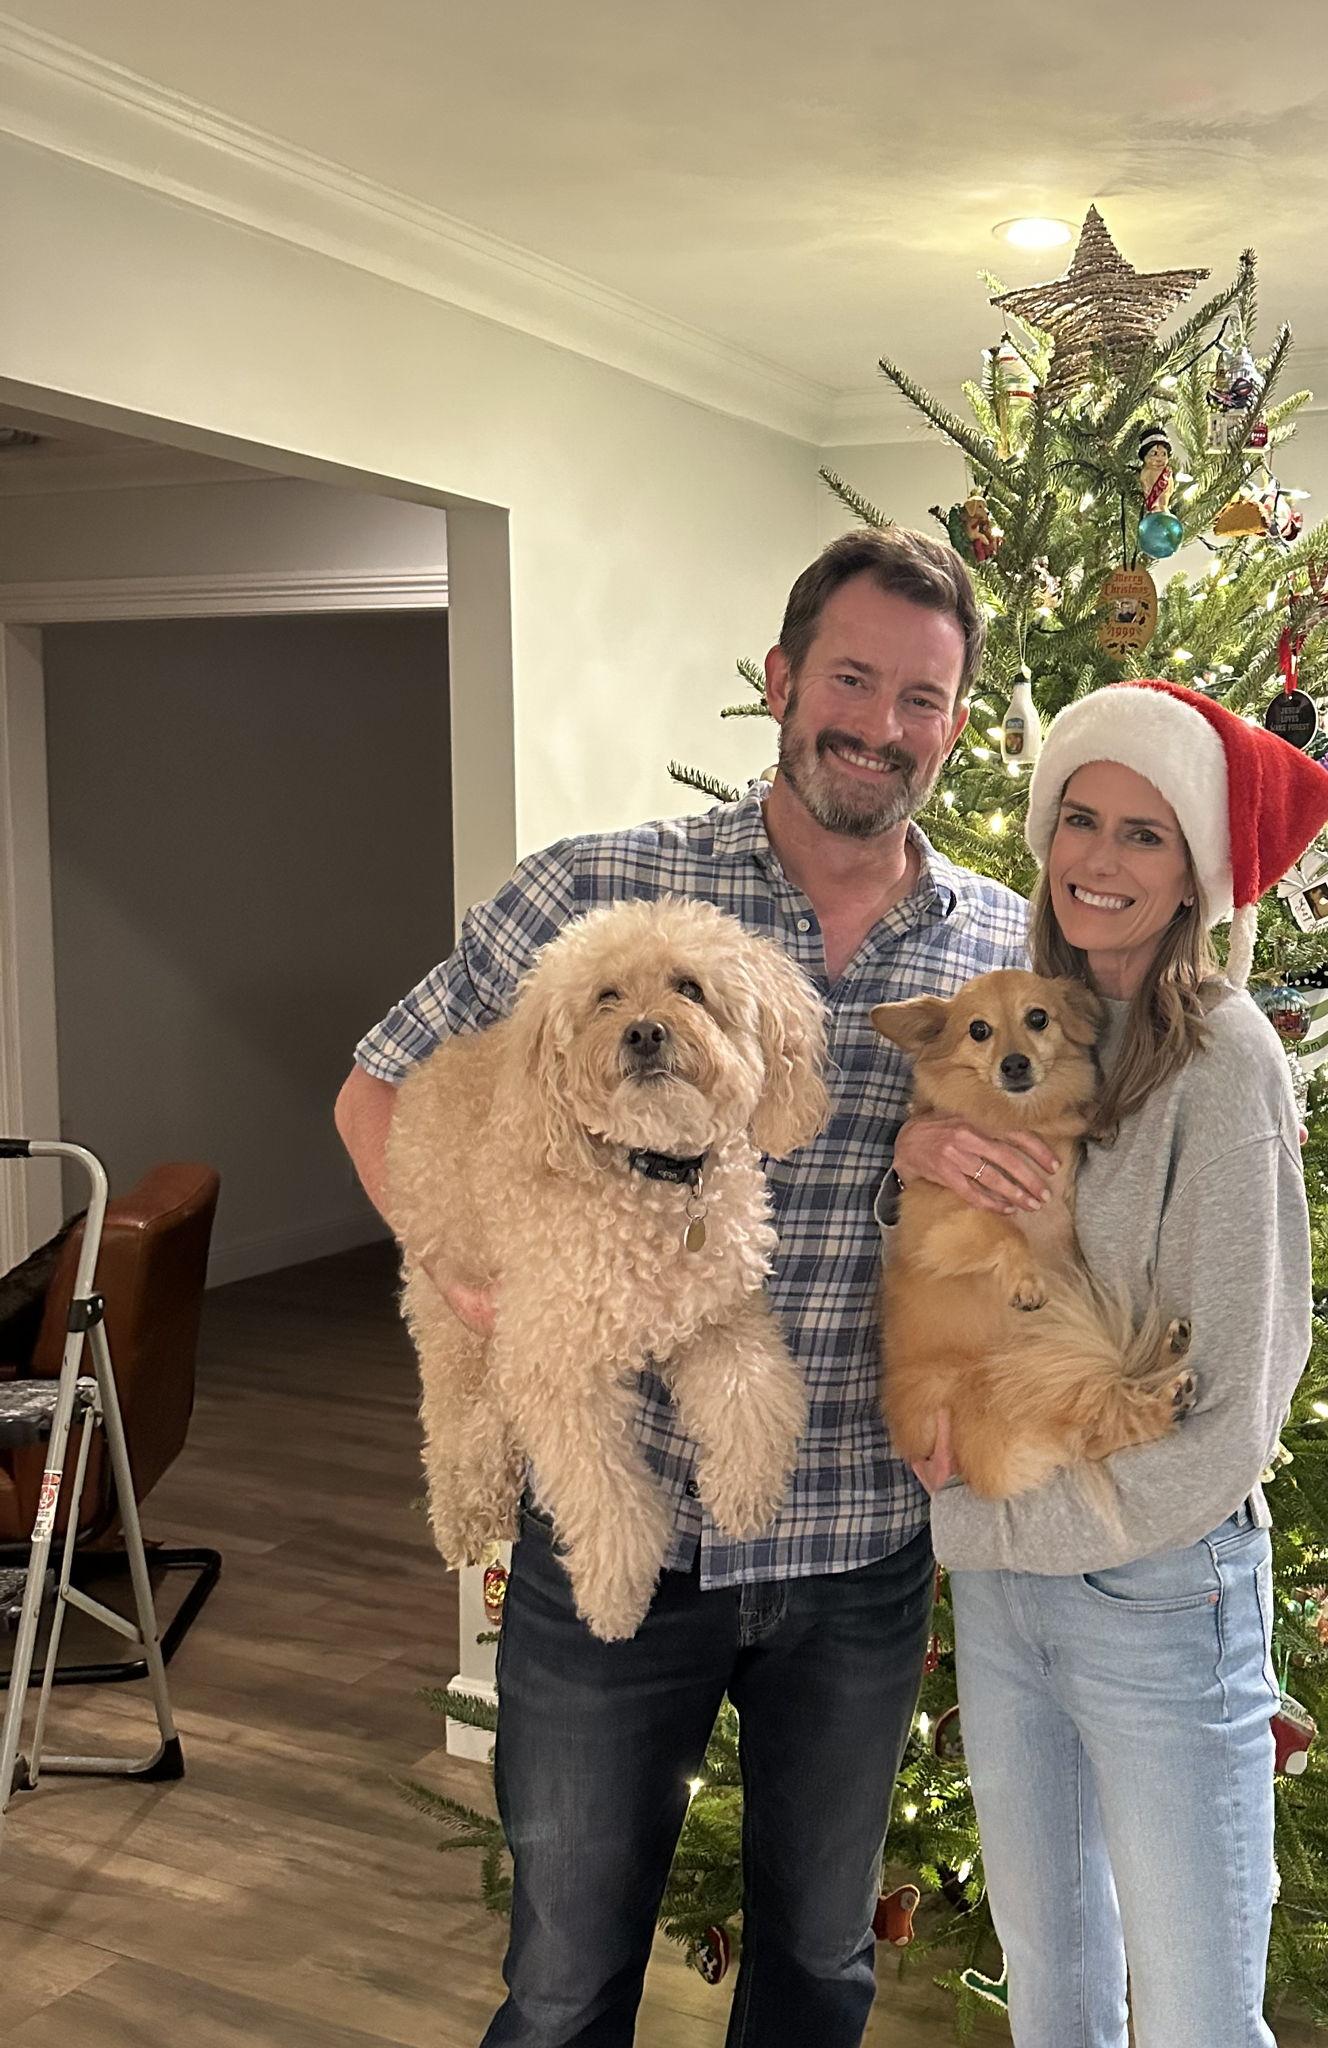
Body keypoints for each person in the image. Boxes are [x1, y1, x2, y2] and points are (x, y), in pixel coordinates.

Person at [333, 526, 1039, 2048]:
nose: (881, 724)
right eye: (850, 678)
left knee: (821, 1964)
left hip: (859, 1543)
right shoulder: (596, 889)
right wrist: (467, 1277)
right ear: (782, 681)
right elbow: (377, 1086)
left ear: (954, 724)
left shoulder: (999, 945)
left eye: (921, 697)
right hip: (615, 1535)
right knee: (562, 1982)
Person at [897, 678, 1328, 2048]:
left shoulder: (1224, 1062)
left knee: (1198, 2017)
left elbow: (1243, 1386)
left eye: (1144, 833)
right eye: (1079, 820)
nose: (1098, 858)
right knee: (1053, 1989)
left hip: (1153, 1587)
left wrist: (1062, 1518)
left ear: (1195, 868)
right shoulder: (1018, 1022)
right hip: (1001, 1577)